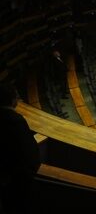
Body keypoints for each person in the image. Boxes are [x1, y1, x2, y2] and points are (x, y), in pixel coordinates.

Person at [0, 83, 41, 213]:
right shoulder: (15, 121)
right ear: (12, 100)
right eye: (17, 97)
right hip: (13, 182)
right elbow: (31, 156)